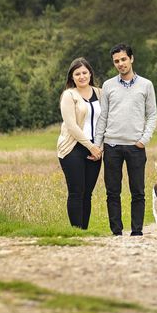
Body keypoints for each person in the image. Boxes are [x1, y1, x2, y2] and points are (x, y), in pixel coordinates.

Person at [94, 43, 157, 236]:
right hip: (112, 145)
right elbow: (103, 116)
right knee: (112, 192)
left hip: (135, 147)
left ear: (131, 59)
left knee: (137, 191)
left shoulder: (146, 85)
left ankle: (137, 232)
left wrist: (143, 140)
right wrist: (98, 145)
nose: (120, 64)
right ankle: (116, 232)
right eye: (116, 61)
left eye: (123, 59)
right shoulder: (108, 86)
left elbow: (152, 115)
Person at [57, 58, 103, 229]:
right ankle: (76, 233)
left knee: (87, 194)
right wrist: (90, 146)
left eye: (84, 72)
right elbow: (71, 126)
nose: (82, 76)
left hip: (96, 148)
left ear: (90, 73)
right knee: (77, 192)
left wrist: (99, 147)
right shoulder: (69, 95)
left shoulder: (100, 93)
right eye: (77, 74)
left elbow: (105, 122)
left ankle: (84, 231)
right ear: (72, 77)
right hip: (73, 148)